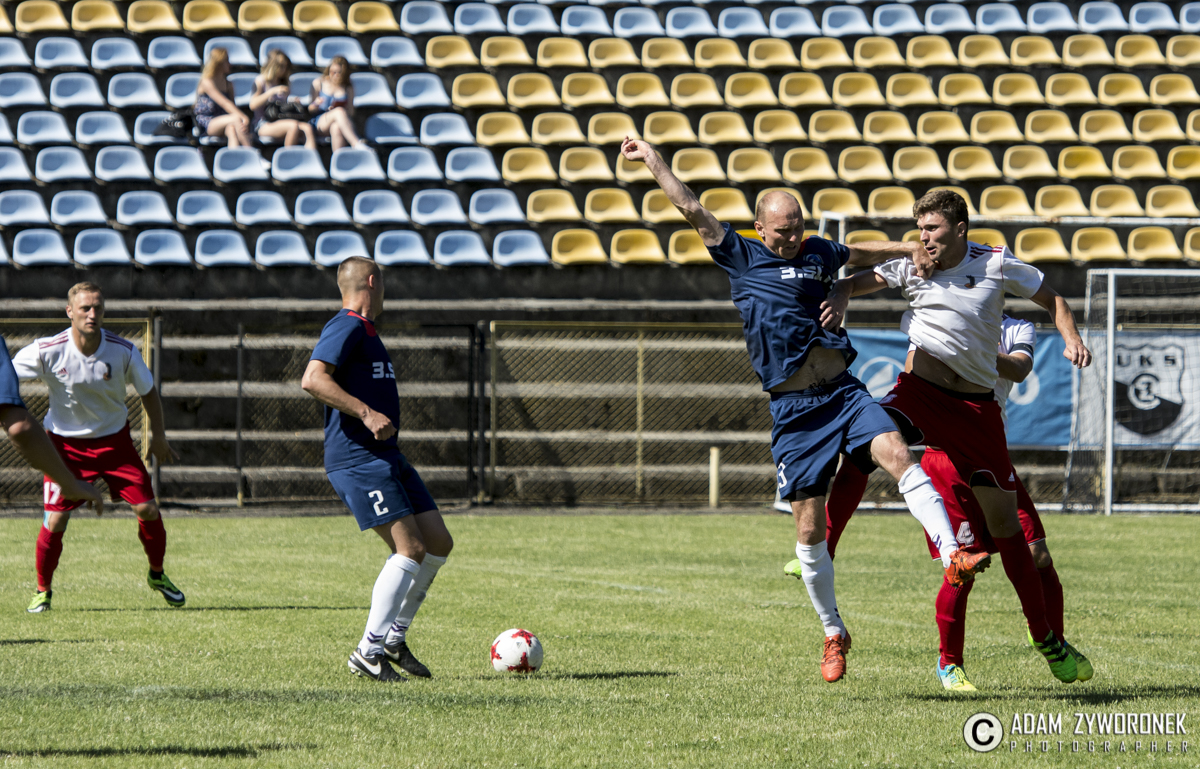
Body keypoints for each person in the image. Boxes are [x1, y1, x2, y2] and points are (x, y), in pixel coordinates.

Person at [619, 137, 989, 683]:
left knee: (897, 454)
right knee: (810, 530)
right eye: (782, 230)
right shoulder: (740, 254)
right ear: (760, 228)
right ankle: (833, 631)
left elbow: (857, 253)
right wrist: (652, 159)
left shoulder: (817, 250)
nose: (792, 238)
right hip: (795, 412)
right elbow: (691, 207)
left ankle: (952, 554)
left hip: (843, 392)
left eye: (797, 227)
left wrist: (908, 248)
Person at [822, 189, 1093, 685]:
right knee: (865, 442)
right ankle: (824, 550)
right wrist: (840, 292)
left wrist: (1071, 336)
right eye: (920, 229)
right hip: (922, 398)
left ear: (960, 229)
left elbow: (1052, 299)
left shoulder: (996, 267)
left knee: (1013, 535)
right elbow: (861, 278)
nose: (923, 238)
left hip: (977, 414)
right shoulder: (914, 264)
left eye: (933, 228)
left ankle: (1046, 637)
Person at [301, 257, 453, 682]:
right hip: (358, 458)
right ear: (372, 282)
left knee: (437, 543)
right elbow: (313, 378)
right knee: (410, 549)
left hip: (386, 455)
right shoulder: (346, 325)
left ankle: (392, 639)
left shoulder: (366, 331)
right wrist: (366, 412)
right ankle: (368, 652)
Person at [12, 283, 181, 613]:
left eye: (98, 308)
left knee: (148, 509)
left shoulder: (123, 351)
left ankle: (157, 574)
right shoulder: (48, 350)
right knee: (55, 520)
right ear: (70, 312)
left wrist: (158, 436)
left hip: (114, 443)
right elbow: (8, 375)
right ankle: (43, 590)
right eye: (85, 308)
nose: (92, 314)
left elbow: (148, 391)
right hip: (64, 448)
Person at [251, 50, 316, 149]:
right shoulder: (261, 81)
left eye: (286, 66)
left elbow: (281, 106)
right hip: (263, 123)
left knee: (307, 128)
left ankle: (311, 157)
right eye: (281, 66)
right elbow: (253, 105)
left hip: (282, 119)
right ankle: (288, 157)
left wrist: (292, 101)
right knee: (293, 126)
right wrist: (271, 92)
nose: (284, 69)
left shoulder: (283, 81)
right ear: (273, 65)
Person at [194, 47, 254, 148]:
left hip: (225, 120)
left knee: (232, 129)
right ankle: (250, 151)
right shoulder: (207, 82)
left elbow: (232, 106)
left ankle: (234, 156)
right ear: (219, 63)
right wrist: (243, 117)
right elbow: (224, 103)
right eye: (227, 61)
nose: (230, 64)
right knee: (236, 118)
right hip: (207, 122)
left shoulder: (228, 84)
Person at [308, 56, 367, 151]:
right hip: (320, 121)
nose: (335, 75)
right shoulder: (319, 83)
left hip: (340, 120)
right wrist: (316, 103)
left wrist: (340, 109)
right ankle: (356, 143)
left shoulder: (348, 87)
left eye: (339, 73)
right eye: (333, 72)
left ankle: (338, 157)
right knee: (338, 111)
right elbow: (310, 109)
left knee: (336, 127)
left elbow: (351, 112)